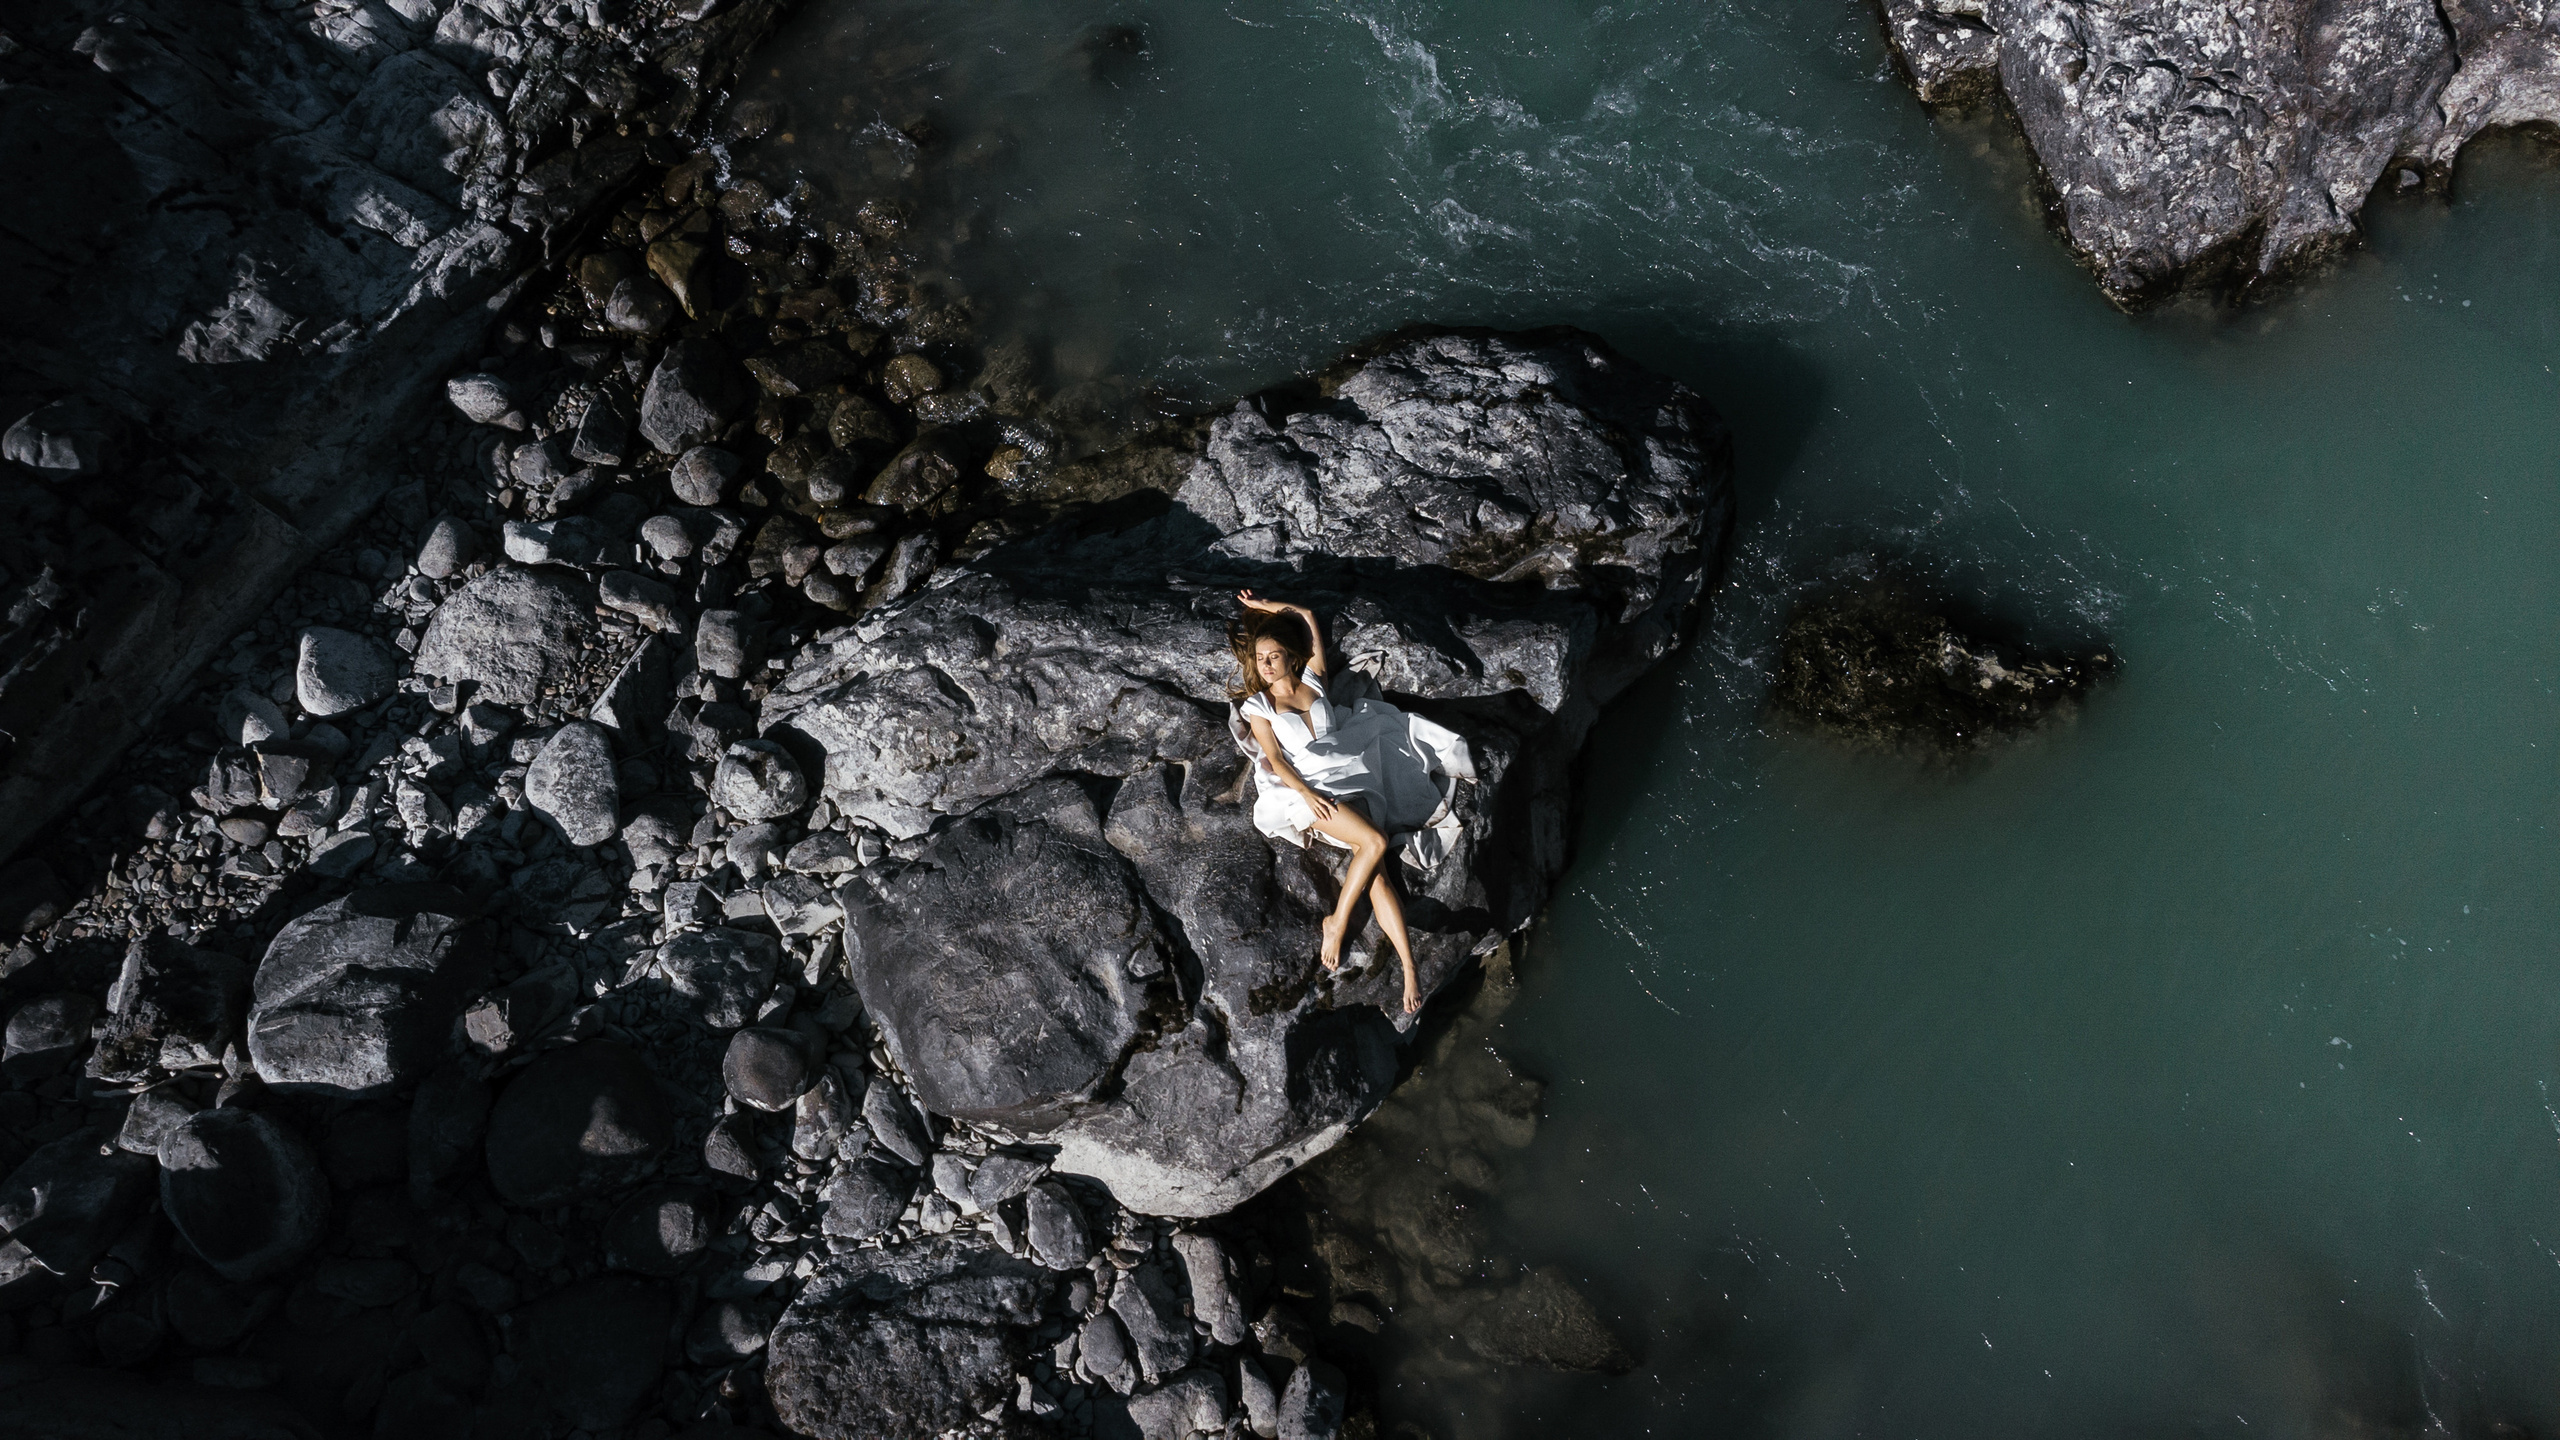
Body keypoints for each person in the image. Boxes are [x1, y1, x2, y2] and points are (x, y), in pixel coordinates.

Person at [1229, 589, 1472, 1014]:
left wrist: (1262, 607)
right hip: (1315, 791)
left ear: (1290, 655)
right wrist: (1307, 794)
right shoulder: (1259, 706)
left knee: (1377, 877)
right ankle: (1336, 922)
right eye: (1260, 659)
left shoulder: (1312, 679)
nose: (1266, 665)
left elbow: (1304, 614)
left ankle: (1410, 966)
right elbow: (1275, 761)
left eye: (1273, 655)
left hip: (1357, 775)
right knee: (1375, 843)